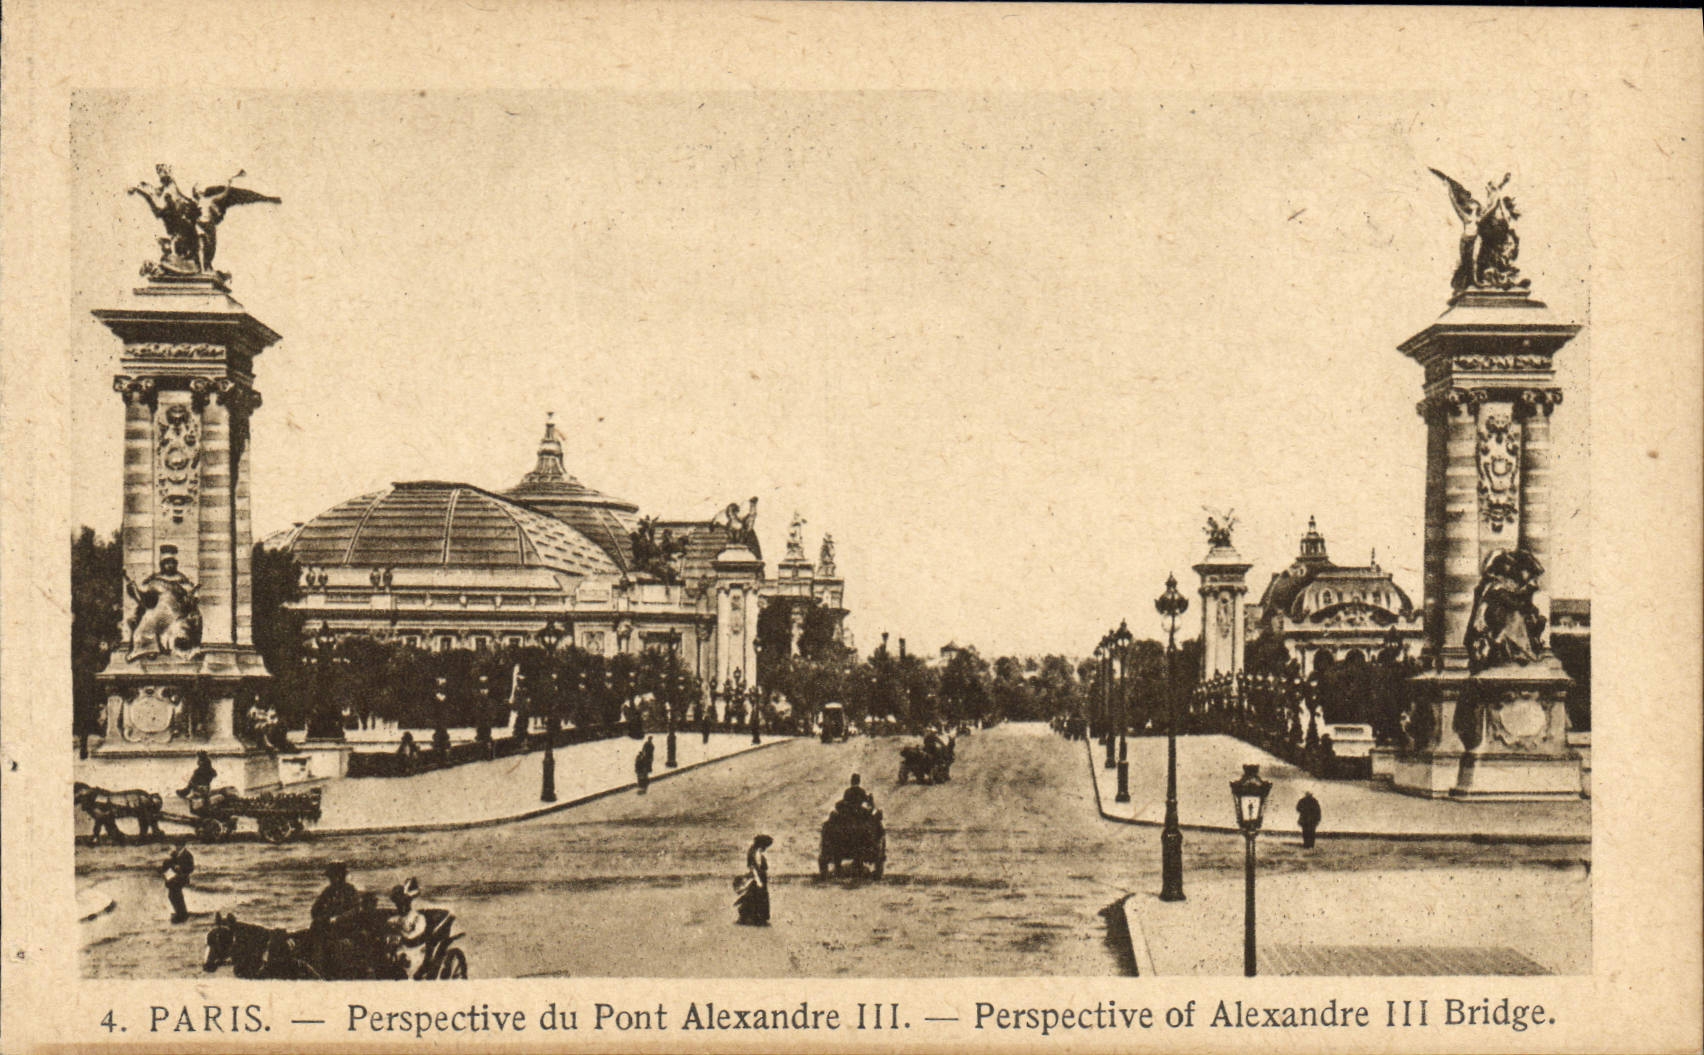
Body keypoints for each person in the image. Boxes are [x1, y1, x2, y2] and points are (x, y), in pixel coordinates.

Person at [735, 834, 773, 926]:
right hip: (758, 878)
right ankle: (757, 919)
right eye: (765, 846)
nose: (765, 849)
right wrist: (758, 881)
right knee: (758, 897)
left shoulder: (755, 851)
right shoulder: (754, 853)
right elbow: (753, 868)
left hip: (759, 878)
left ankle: (751, 918)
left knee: (754, 897)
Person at [160, 840, 195, 923]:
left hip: (182, 877)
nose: (177, 847)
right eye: (176, 845)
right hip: (174, 877)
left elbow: (191, 868)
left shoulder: (188, 855)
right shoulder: (175, 854)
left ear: (183, 846)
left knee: (176, 894)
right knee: (172, 895)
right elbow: (169, 863)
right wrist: (171, 866)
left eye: (179, 845)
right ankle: (180, 912)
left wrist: (181, 868)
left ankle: (181, 913)